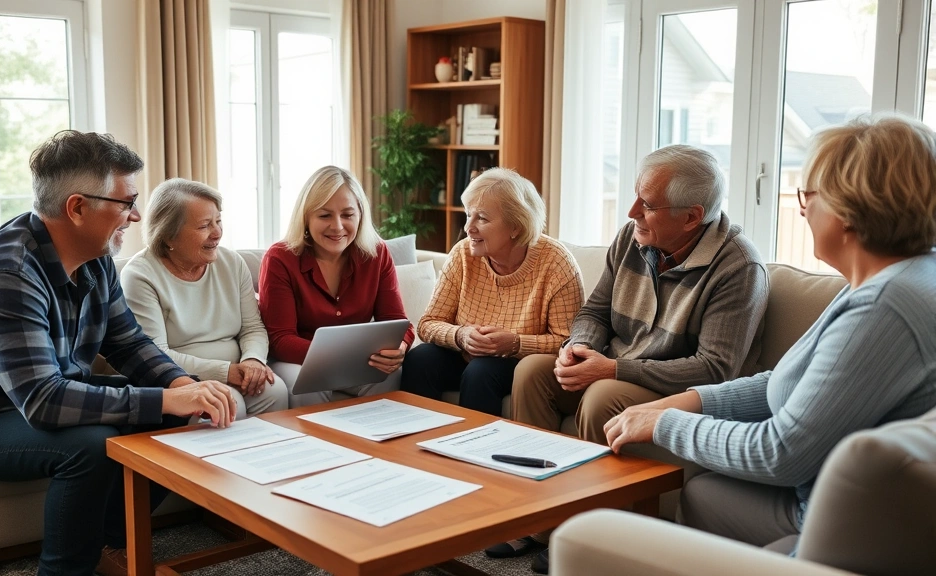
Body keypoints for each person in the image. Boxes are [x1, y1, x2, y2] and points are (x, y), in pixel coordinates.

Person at [604, 114, 936, 552]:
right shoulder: (889, 278)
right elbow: (790, 382)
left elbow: (780, 453)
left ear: (850, 210)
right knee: (703, 493)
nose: (801, 209)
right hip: (831, 496)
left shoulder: (884, 305)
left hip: (837, 519)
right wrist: (691, 401)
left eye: (808, 195)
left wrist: (666, 423)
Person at [0, 131, 237, 576]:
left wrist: (183, 387)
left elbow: (128, 342)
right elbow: (42, 400)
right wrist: (167, 397)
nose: (135, 216)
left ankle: (107, 544)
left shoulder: (97, 257)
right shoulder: (7, 274)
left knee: (174, 409)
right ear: (77, 207)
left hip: (52, 394)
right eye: (126, 203)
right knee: (89, 446)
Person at [490, 145, 769, 573]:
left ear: (692, 217)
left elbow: (716, 369)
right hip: (611, 364)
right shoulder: (633, 239)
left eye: (648, 204)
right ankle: (540, 518)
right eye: (636, 195)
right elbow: (594, 311)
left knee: (604, 395)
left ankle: (589, 534)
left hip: (670, 386)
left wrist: (614, 368)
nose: (631, 210)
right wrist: (577, 347)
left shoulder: (738, 267)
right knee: (531, 371)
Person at [401, 168, 584, 416]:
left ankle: (473, 450)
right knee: (420, 359)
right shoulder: (463, 254)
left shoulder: (556, 263)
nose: (468, 227)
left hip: (520, 365)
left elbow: (566, 342)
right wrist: (461, 335)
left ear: (516, 227)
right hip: (464, 354)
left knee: (482, 372)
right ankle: (413, 444)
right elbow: (428, 323)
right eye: (468, 215)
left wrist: (515, 343)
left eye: (482, 219)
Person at [122, 178, 288, 418]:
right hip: (180, 376)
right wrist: (225, 372)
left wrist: (253, 361)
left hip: (238, 369)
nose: (217, 233)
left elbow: (252, 327)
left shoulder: (231, 263)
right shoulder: (140, 275)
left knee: (275, 391)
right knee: (229, 406)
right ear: (169, 235)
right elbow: (154, 353)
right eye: (204, 226)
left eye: (218, 221)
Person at [258, 165, 414, 407]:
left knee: (389, 372)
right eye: (324, 215)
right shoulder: (280, 258)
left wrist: (400, 348)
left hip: (357, 360)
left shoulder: (376, 252)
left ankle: (375, 443)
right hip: (297, 360)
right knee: (308, 380)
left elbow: (397, 321)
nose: (338, 226)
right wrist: (338, 358)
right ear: (306, 218)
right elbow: (280, 338)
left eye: (348, 215)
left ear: (360, 216)